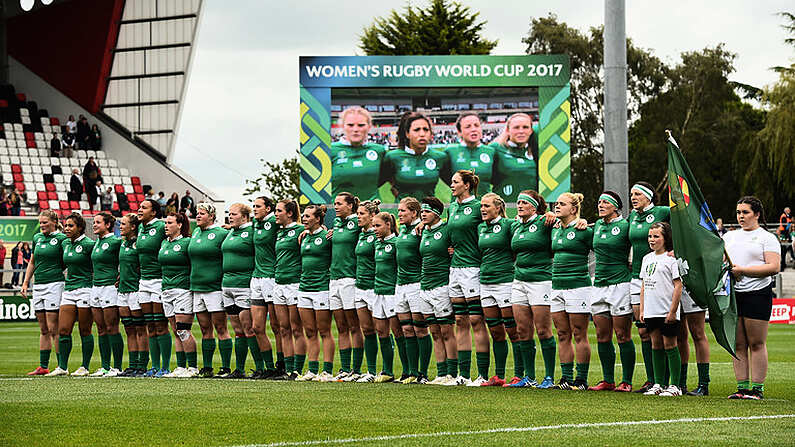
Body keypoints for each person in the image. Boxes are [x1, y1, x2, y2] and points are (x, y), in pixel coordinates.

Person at [725, 196, 780, 400]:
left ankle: (757, 389)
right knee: (738, 344)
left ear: (756, 214)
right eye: (738, 212)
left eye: (745, 212)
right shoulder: (729, 237)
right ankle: (741, 388)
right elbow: (721, 262)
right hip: (734, 295)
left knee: (756, 343)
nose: (741, 216)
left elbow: (773, 267)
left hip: (758, 294)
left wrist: (744, 271)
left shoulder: (767, 238)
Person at [588, 191, 635, 392]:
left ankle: (626, 381)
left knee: (622, 334)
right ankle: (608, 380)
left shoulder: (625, 226)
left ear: (616, 207)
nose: (600, 205)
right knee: (601, 334)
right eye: (599, 201)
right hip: (599, 284)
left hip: (620, 284)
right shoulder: (597, 225)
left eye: (605, 202)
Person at [446, 170, 489, 386]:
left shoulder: (478, 207)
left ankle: (482, 375)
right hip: (455, 270)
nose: (451, 185)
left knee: (476, 320)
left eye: (455, 182)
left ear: (467, 185)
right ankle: (463, 375)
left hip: (473, 268)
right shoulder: (452, 207)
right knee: (460, 320)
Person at [510, 190, 557, 389]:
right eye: (518, 202)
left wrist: (554, 216)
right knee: (522, 330)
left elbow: (565, 222)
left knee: (544, 330)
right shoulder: (515, 226)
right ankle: (529, 377)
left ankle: (549, 377)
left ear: (534, 207)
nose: (519, 205)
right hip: (519, 281)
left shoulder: (545, 223)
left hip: (540, 282)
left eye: (523, 202)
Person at [477, 192, 524, 387]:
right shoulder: (480, 227)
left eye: (487, 206)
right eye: (481, 206)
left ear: (498, 208)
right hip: (485, 283)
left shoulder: (509, 225)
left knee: (513, 330)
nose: (483, 209)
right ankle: (498, 376)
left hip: (504, 282)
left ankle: (520, 374)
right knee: (495, 331)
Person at [627, 181, 670, 393]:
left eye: (637, 194)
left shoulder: (663, 211)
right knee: (644, 331)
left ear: (649, 196)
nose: (633, 197)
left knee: (667, 332)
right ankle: (652, 380)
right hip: (638, 277)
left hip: (662, 277)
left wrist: (675, 250)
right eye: (631, 194)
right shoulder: (632, 217)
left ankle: (671, 381)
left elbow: (684, 227)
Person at [550, 192, 593, 390]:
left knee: (579, 333)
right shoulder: (554, 229)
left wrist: (583, 221)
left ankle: (581, 379)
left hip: (578, 287)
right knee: (562, 333)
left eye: (562, 204)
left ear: (574, 209)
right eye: (556, 203)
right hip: (556, 286)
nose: (557, 206)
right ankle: (566, 378)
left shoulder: (584, 230)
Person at [640, 222, 684, 397]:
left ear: (666, 238)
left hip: (666, 310)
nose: (652, 239)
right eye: (650, 236)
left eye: (656, 236)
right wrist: (642, 309)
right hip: (651, 310)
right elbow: (643, 285)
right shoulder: (646, 258)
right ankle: (659, 383)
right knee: (656, 345)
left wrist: (673, 311)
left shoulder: (672, 259)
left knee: (670, 345)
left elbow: (678, 286)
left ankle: (675, 386)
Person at [20, 210, 67, 375]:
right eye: (40, 223)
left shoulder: (61, 239)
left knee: (54, 327)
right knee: (43, 328)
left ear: (54, 222)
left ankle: (62, 366)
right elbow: (32, 261)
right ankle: (43, 366)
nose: (42, 226)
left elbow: (67, 260)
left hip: (54, 284)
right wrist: (26, 283)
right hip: (38, 285)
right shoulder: (37, 238)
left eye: (45, 222)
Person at [189, 202, 232, 378]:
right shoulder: (196, 232)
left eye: (202, 213)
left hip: (214, 288)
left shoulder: (222, 233)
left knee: (221, 328)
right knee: (205, 329)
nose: (198, 216)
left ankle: (226, 367)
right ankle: (207, 367)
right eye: (197, 213)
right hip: (197, 288)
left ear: (212, 216)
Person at [52, 213, 96, 376]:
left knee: (85, 330)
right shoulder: (65, 244)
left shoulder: (89, 244)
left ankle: (84, 367)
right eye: (66, 225)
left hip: (85, 289)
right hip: (69, 290)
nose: (67, 228)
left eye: (71, 226)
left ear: (80, 228)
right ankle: (62, 367)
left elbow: (98, 264)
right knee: (63, 330)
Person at [418, 197, 456, 385]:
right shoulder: (423, 231)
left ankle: (452, 373)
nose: (422, 214)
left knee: (447, 330)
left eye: (426, 211)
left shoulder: (447, 230)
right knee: (434, 332)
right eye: (421, 211)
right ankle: (441, 373)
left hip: (442, 286)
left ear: (437, 213)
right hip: (424, 287)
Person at [295, 204, 335, 382]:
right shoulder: (303, 237)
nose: (304, 218)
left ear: (318, 219)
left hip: (321, 288)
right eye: (303, 215)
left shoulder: (327, 236)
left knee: (324, 331)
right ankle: (312, 370)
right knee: (309, 331)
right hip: (304, 288)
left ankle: (327, 371)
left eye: (308, 216)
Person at [221, 203, 260, 379]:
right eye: (229, 214)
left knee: (248, 326)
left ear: (244, 217)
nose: (230, 216)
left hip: (243, 284)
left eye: (234, 214)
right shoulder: (230, 232)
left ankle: (260, 368)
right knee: (237, 328)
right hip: (227, 284)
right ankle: (239, 369)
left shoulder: (252, 231)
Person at [328, 193, 364, 382]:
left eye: (340, 204)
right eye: (335, 204)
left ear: (350, 206)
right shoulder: (336, 224)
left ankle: (356, 369)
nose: (336, 207)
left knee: (353, 325)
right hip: (334, 278)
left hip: (350, 278)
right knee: (341, 326)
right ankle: (344, 368)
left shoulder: (358, 222)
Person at [272, 199, 307, 380]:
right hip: (279, 283)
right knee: (283, 328)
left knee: (296, 329)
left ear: (290, 213)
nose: (276, 213)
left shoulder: (301, 230)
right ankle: (288, 369)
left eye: (279, 211)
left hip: (294, 284)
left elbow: (318, 232)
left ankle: (297, 370)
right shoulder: (279, 232)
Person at [159, 212, 197, 378]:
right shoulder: (163, 243)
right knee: (175, 330)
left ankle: (193, 367)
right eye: (165, 223)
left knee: (183, 330)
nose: (166, 226)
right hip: (166, 289)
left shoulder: (187, 242)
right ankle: (181, 367)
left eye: (169, 223)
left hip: (182, 289)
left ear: (180, 225)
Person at [394, 197, 427, 384]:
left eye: (403, 211)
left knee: (420, 329)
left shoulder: (420, 230)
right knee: (406, 329)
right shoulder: (403, 230)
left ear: (414, 213)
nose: (399, 214)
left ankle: (422, 372)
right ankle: (410, 372)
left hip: (416, 283)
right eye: (398, 211)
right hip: (400, 284)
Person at [382, 112, 450, 201]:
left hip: (429, 211)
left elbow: (453, 182)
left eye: (426, 129)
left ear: (431, 134)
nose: (422, 134)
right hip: (402, 213)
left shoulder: (440, 157)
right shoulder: (392, 157)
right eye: (417, 130)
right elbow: (380, 179)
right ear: (407, 134)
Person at [88, 212, 124, 377]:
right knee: (101, 329)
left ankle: (116, 367)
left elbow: (128, 259)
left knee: (112, 327)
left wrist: (121, 276)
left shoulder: (116, 242)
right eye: (94, 222)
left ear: (108, 225)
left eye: (98, 222)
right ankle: (104, 366)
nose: (94, 225)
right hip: (96, 287)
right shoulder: (97, 243)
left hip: (110, 287)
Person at [351, 200, 383, 383]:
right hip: (360, 287)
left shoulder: (378, 235)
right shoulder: (360, 235)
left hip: (374, 287)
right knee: (367, 330)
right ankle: (371, 372)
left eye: (362, 214)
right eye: (358, 214)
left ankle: (387, 370)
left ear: (372, 216)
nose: (358, 217)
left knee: (382, 330)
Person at [250, 196, 282, 378]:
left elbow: (292, 225)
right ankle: (269, 367)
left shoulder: (273, 221)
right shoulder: (256, 223)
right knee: (257, 327)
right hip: (257, 278)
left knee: (277, 326)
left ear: (268, 209)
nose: (255, 209)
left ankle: (281, 365)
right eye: (253, 206)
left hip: (271, 277)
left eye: (258, 206)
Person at [136, 199, 167, 377]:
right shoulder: (141, 228)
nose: (140, 210)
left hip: (158, 280)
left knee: (160, 325)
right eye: (140, 207)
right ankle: (154, 366)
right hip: (144, 281)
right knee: (150, 326)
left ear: (154, 212)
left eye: (144, 208)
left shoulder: (162, 227)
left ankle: (165, 367)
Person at [330, 107, 387, 200]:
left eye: (361, 125)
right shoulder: (331, 150)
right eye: (350, 125)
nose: (355, 129)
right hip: (340, 212)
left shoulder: (379, 151)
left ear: (369, 126)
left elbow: (388, 177)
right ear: (342, 126)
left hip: (372, 211)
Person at [371, 211, 402, 383]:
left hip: (392, 292)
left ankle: (408, 371)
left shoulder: (397, 242)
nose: (374, 229)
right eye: (374, 226)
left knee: (398, 331)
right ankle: (387, 371)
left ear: (388, 225)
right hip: (378, 291)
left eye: (378, 226)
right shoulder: (377, 243)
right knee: (381, 331)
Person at [116, 213, 147, 377]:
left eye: (123, 224)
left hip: (135, 290)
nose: (120, 227)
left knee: (140, 328)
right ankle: (132, 365)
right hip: (122, 290)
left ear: (133, 227)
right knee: (129, 329)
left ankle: (142, 365)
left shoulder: (139, 243)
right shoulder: (122, 243)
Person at [491, 113, 538, 203]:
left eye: (525, 127)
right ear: (508, 130)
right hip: (504, 209)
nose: (521, 131)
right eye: (516, 127)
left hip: (530, 210)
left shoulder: (535, 151)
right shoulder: (496, 148)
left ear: (531, 131)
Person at [445, 112, 497, 194]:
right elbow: (445, 177)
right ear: (459, 132)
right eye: (468, 127)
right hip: (459, 205)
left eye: (476, 125)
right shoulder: (450, 152)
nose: (473, 129)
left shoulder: (491, 151)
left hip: (484, 204)